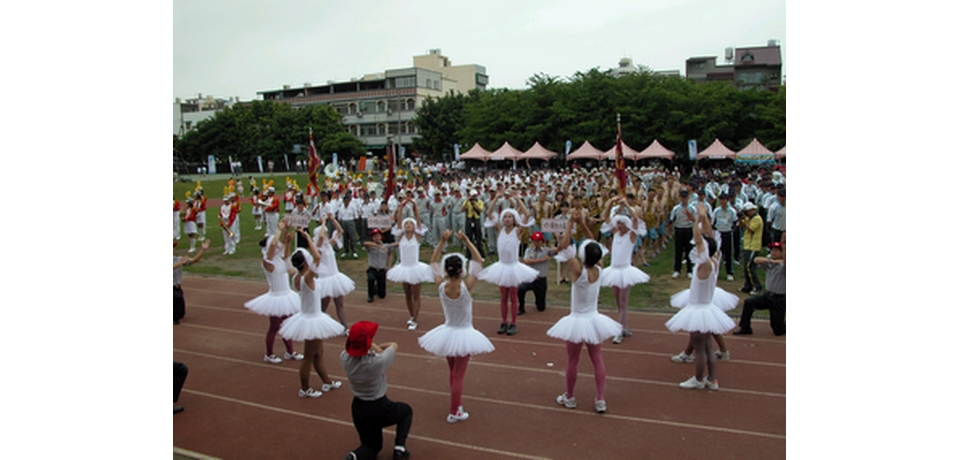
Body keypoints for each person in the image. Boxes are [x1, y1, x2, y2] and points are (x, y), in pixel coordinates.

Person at [547, 209, 621, 413]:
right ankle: (600, 399)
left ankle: (569, 396)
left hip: (578, 320)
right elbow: (592, 242)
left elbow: (563, 245)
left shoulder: (578, 271)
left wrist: (571, 221)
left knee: (572, 359)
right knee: (597, 359)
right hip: (594, 320)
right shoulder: (600, 268)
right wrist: (583, 224)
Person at [419, 230, 494, 423]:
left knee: (453, 372)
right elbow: (479, 261)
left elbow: (433, 264)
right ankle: (454, 410)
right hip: (463, 333)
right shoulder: (466, 286)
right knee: (458, 375)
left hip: (447, 332)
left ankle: (456, 404)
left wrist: (442, 241)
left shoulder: (441, 286)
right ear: (461, 270)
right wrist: (467, 240)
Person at [664, 203, 737, 390]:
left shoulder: (704, 264)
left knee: (700, 348)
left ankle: (698, 378)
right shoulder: (715, 258)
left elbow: (700, 241)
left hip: (699, 309)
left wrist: (696, 221)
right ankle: (712, 379)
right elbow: (710, 238)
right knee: (708, 347)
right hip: (706, 308)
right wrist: (702, 219)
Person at [279, 231, 347, 398]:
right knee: (309, 356)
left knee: (318, 353)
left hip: (311, 318)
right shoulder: (306, 278)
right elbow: (317, 258)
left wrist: (287, 243)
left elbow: (286, 261)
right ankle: (304, 388)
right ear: (305, 263)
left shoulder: (295, 276)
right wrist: (309, 239)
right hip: (311, 319)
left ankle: (327, 382)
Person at [341, 321, 413, 460]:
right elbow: (393, 345)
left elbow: (355, 351)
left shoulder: (344, 358)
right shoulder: (377, 362)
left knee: (372, 446)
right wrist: (373, 345)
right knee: (406, 411)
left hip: (358, 408)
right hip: (379, 405)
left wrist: (365, 346)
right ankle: (399, 448)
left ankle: (353, 457)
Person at [477, 191, 539, 336]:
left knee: (513, 295)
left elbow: (527, 215)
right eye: (505, 216)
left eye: (510, 216)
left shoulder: (518, 231)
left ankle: (514, 322)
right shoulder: (499, 229)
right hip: (501, 266)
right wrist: (496, 198)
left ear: (514, 219)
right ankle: (504, 321)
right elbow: (489, 212)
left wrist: (518, 200)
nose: (507, 219)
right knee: (503, 296)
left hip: (513, 266)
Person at [243, 221, 303, 364]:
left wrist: (288, 235)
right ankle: (269, 354)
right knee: (275, 327)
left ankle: (290, 351)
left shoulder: (280, 260)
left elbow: (285, 252)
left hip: (286, 295)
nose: (278, 247)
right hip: (276, 298)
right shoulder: (267, 262)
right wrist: (279, 230)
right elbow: (272, 247)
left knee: (287, 324)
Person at [598, 196, 651, 344]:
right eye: (618, 223)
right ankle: (625, 325)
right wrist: (611, 201)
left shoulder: (631, 235)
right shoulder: (615, 234)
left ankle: (619, 330)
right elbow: (606, 217)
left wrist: (626, 204)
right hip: (614, 270)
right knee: (617, 301)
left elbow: (635, 217)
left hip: (625, 271)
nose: (619, 226)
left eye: (622, 223)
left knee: (623, 301)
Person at [387, 199, 433, 330]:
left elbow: (418, 219)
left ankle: (415, 319)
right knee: (407, 294)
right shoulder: (400, 236)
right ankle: (412, 316)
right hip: (403, 268)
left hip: (415, 268)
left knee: (415, 295)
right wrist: (401, 206)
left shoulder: (417, 237)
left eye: (410, 224)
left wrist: (415, 204)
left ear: (414, 227)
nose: (407, 225)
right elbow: (398, 219)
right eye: (406, 223)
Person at [733, 240, 786, 336]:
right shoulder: (769, 262)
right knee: (749, 302)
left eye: (777, 251)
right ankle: (745, 327)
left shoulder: (784, 265)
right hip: (768, 296)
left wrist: (784, 250)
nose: (773, 252)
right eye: (772, 250)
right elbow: (756, 259)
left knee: (778, 330)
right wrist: (771, 260)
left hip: (779, 299)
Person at [313, 215, 356, 330]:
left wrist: (332, 220)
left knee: (339, 304)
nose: (327, 235)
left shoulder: (329, 245)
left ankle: (345, 327)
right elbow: (321, 236)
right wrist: (323, 223)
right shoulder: (318, 248)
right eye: (326, 233)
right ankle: (317, 325)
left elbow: (340, 231)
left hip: (335, 277)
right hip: (325, 279)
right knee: (323, 306)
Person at [517, 231, 555, 315]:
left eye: (538, 240)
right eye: (535, 240)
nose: (536, 243)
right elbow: (526, 261)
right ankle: (521, 307)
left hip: (541, 280)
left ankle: (538, 301)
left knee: (541, 307)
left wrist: (557, 236)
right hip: (530, 278)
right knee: (521, 289)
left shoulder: (546, 251)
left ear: (542, 241)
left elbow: (557, 250)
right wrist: (542, 260)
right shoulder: (529, 250)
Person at [174, 239, 211, 324]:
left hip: (178, 287)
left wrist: (203, 250)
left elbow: (194, 260)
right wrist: (181, 263)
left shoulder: (177, 259)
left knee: (181, 313)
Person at [669, 189, 696, 279]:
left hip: (688, 229)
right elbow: (672, 219)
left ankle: (689, 270)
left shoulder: (692, 208)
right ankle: (677, 270)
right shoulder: (676, 208)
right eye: (682, 197)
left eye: (685, 197)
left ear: (688, 198)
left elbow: (695, 220)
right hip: (679, 229)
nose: (684, 199)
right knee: (678, 250)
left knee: (689, 250)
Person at [363, 228, 396, 303]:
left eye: (378, 236)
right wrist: (378, 246)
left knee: (382, 295)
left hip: (381, 270)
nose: (377, 238)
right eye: (374, 236)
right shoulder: (371, 246)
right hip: (372, 269)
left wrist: (389, 266)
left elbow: (391, 253)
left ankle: (376, 289)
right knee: (370, 279)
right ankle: (370, 295)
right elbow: (365, 243)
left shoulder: (386, 246)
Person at [739, 202, 764, 294]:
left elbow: (750, 229)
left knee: (750, 267)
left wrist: (745, 220)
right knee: (746, 267)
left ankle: (756, 286)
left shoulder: (757, 219)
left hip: (754, 245)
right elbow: (741, 225)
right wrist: (740, 218)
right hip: (747, 245)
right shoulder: (749, 218)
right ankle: (748, 286)